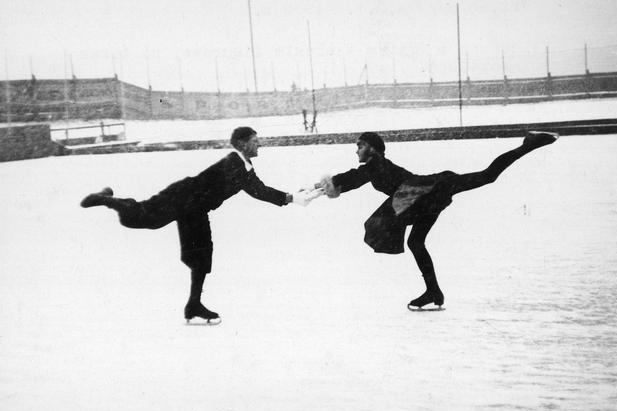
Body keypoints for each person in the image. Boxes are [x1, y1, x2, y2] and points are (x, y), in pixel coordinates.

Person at [80, 126, 314, 323]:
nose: (259, 145)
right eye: (254, 141)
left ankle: (193, 305)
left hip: (195, 209)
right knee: (141, 219)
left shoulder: (243, 166)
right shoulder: (235, 163)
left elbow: (258, 187)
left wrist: (291, 195)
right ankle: (107, 199)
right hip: (182, 196)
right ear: (242, 144)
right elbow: (258, 190)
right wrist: (291, 198)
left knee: (202, 255)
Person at [309, 130, 558, 310]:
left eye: (360, 145)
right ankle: (433, 291)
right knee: (416, 242)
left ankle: (528, 144)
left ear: (371, 148)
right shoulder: (376, 165)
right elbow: (355, 177)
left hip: (427, 191)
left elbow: (355, 177)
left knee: (487, 176)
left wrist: (331, 184)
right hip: (425, 197)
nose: (356, 150)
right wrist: (323, 188)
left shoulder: (376, 164)